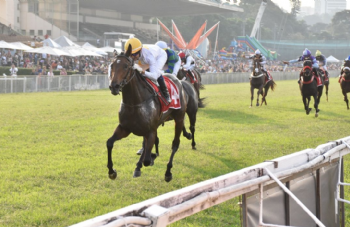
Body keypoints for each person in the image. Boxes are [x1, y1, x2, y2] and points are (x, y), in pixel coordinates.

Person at [124, 37, 171, 103]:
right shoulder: (133, 55)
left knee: (157, 73)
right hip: (144, 59)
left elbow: (154, 77)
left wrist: (143, 72)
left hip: (159, 56)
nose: (132, 57)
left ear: (140, 50)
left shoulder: (148, 57)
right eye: (130, 54)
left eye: (134, 54)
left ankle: (166, 93)